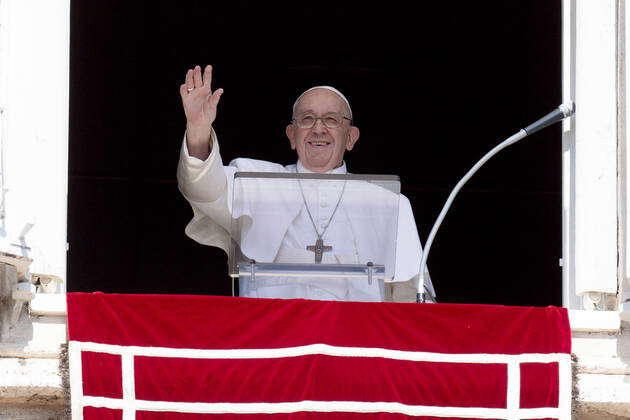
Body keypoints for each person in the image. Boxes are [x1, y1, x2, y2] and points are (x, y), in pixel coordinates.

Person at [177, 65, 436, 302]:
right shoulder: (255, 181)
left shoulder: (388, 204)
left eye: (332, 120)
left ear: (351, 138)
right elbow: (203, 189)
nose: (319, 129)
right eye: (307, 119)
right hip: (273, 340)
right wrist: (198, 131)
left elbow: (410, 296)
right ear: (292, 135)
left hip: (353, 341)